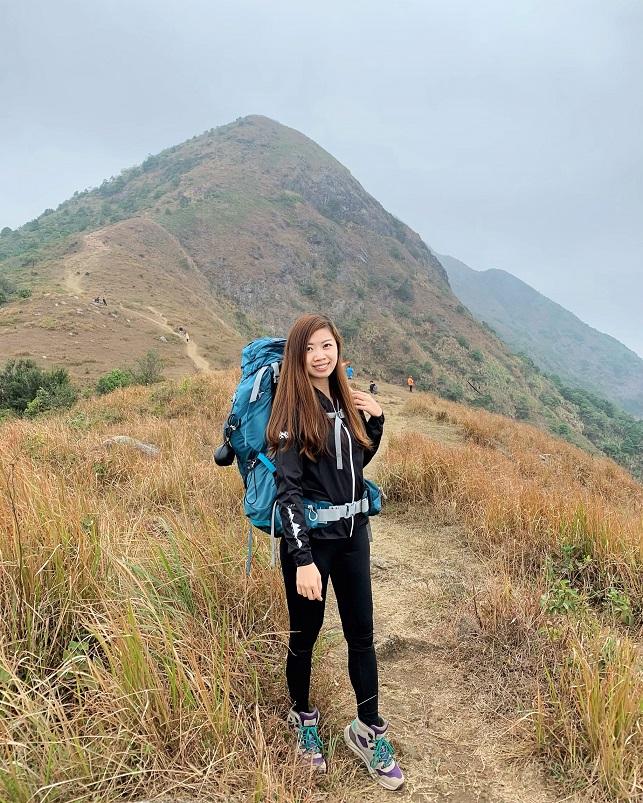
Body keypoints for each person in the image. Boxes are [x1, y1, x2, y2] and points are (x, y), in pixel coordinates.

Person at [266, 314, 404, 791]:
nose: (321, 355)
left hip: (352, 536)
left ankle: (369, 730)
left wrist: (377, 424)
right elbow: (287, 490)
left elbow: (355, 465)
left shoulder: (343, 403)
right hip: (310, 545)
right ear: (298, 356)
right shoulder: (289, 412)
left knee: (361, 635)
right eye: (311, 349)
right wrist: (302, 558)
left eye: (328, 346)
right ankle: (304, 720)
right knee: (305, 636)